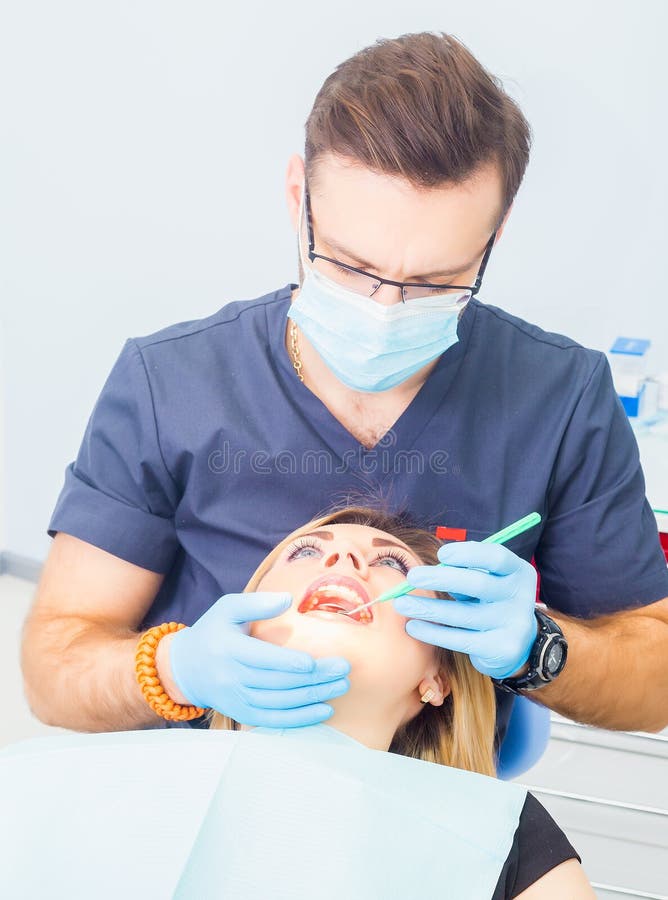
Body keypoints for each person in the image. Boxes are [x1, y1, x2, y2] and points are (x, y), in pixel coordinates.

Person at [23, 32, 668, 746]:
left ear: (494, 235)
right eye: (350, 265)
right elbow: (55, 666)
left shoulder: (562, 401)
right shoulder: (170, 384)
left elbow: (656, 679)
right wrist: (172, 668)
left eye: (434, 282)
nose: (384, 307)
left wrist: (541, 648)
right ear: (299, 196)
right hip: (193, 783)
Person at [3, 509, 594, 899]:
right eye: (307, 551)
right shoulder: (64, 785)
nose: (344, 561)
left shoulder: (503, 838)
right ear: (241, 623)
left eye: (391, 563)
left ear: (436, 680)